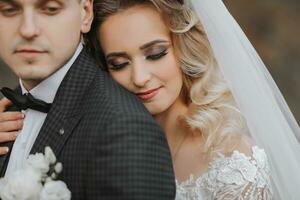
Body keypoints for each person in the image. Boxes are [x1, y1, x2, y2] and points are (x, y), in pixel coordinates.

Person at [1, 0, 300, 199]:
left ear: (183, 46)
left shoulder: (233, 160)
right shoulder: (87, 130)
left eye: (155, 54)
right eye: (119, 63)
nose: (140, 77)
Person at [0, 0, 176, 199]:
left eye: (50, 9)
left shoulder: (125, 130)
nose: (27, 29)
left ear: (85, 12)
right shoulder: (10, 104)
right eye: (9, 10)